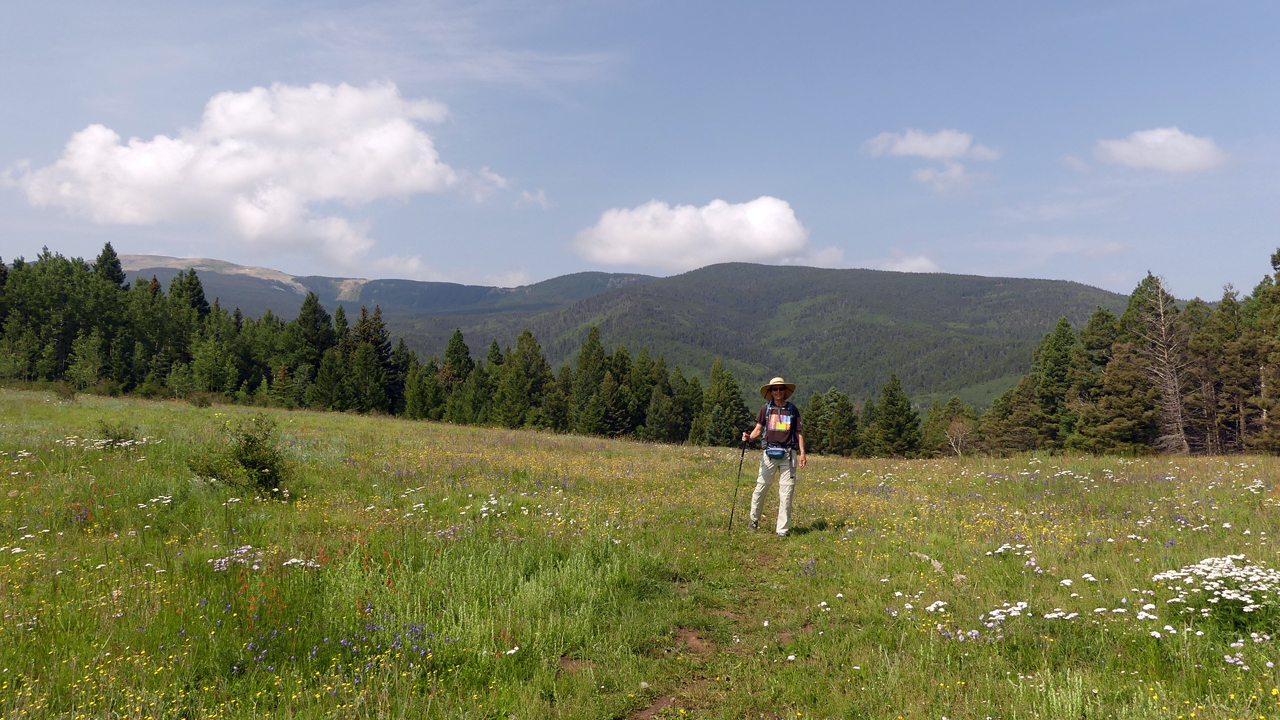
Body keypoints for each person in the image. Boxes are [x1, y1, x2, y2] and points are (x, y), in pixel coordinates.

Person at [741, 376, 806, 537]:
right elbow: (757, 429)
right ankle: (754, 520)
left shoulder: (792, 410)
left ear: (785, 391)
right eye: (775, 389)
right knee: (761, 488)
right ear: (771, 392)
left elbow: (799, 433)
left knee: (786, 493)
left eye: (781, 389)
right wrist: (749, 438)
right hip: (768, 454)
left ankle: (782, 531)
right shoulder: (765, 409)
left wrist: (802, 453)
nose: (778, 392)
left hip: (788, 455)